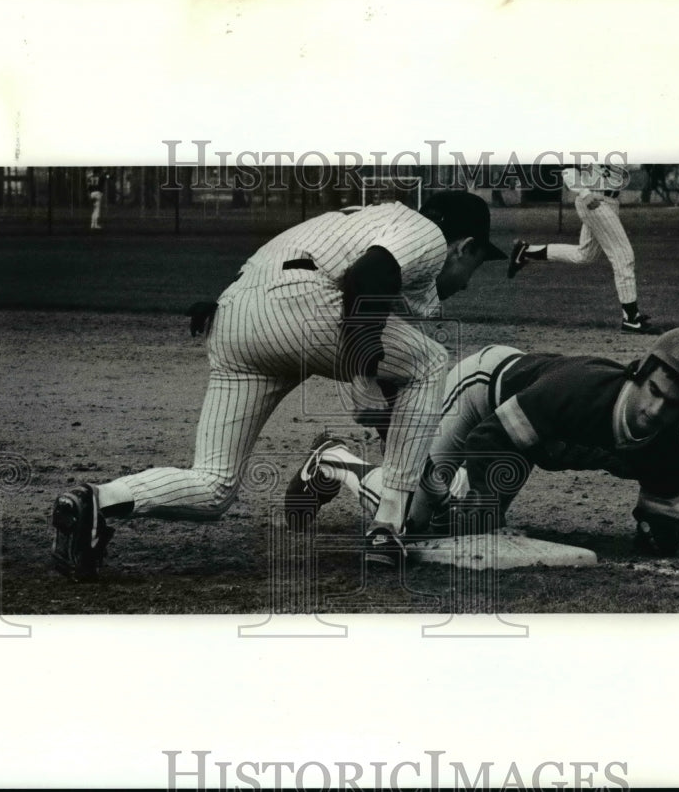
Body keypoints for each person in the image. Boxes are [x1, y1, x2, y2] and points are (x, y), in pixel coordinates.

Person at [51, 191, 506, 580]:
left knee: (213, 486)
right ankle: (388, 527)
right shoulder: (423, 231)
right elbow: (366, 279)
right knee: (430, 361)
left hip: (232, 319)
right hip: (302, 308)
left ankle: (97, 500)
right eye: (478, 265)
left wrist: (389, 418)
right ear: (463, 247)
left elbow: (357, 312)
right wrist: (363, 372)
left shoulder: (363, 218)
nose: (469, 281)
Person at [285, 327, 679, 558]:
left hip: (524, 431)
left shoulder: (665, 452)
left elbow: (663, 514)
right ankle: (332, 460)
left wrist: (660, 530)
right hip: (484, 392)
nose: (656, 410)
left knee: (467, 522)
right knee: (415, 521)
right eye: (655, 392)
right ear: (641, 372)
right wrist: (463, 487)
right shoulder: (580, 394)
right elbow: (490, 437)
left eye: (674, 407)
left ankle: (402, 457)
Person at [508, 163, 659, 335]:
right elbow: (568, 167)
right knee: (623, 256)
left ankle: (526, 251)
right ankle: (631, 318)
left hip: (608, 202)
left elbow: (627, 164)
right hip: (594, 200)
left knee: (585, 254)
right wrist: (583, 192)